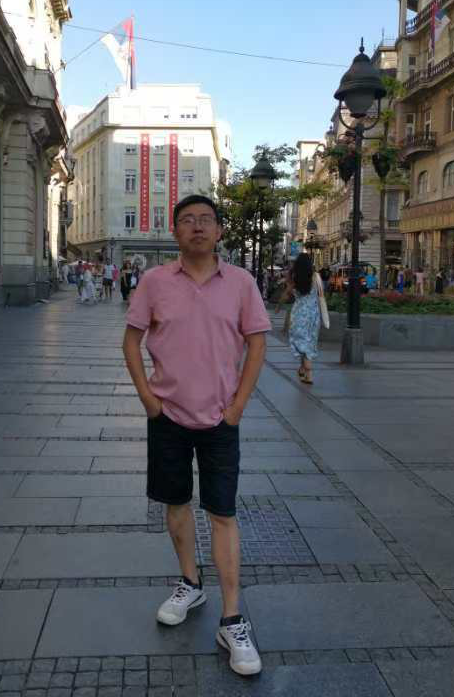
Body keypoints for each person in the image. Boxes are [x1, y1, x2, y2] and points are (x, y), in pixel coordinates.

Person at [123, 194, 270, 677]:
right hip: (167, 415)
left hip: (220, 420)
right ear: (176, 232)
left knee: (222, 513)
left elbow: (256, 344)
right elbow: (131, 340)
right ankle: (190, 583)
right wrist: (148, 399)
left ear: (220, 230)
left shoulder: (242, 283)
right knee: (176, 503)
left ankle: (232, 619)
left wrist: (238, 406)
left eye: (206, 219)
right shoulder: (154, 281)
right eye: (187, 220)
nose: (198, 227)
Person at [279, 253, 323, 384]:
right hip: (313, 314)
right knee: (309, 341)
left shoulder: (294, 278)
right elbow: (321, 295)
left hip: (298, 313)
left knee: (301, 341)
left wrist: (278, 306)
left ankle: (306, 370)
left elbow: (286, 295)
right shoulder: (316, 277)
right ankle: (305, 370)